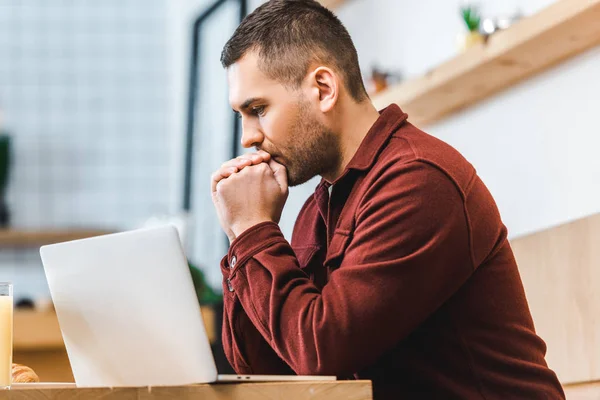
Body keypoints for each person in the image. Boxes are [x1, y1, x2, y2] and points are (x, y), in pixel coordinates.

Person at [210, 0, 565, 398]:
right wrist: (244, 240)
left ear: (324, 89)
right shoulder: (318, 208)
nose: (247, 138)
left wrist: (253, 231)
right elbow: (267, 371)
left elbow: (320, 352)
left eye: (257, 109)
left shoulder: (418, 180)